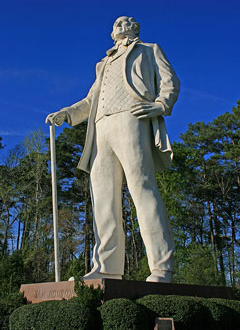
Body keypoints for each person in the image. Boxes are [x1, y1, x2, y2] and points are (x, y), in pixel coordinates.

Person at [46, 16, 180, 283]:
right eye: (118, 22)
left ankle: (162, 268)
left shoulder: (150, 50)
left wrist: (161, 105)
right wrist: (67, 113)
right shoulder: (103, 64)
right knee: (103, 199)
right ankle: (106, 267)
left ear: (135, 28)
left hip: (133, 119)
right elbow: (90, 99)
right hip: (100, 128)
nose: (121, 24)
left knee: (142, 189)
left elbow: (171, 81)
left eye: (127, 22)